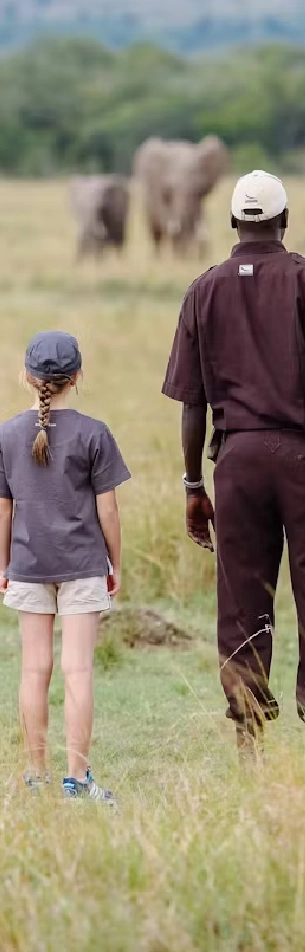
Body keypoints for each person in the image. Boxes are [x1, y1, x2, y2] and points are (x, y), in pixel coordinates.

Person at [162, 170, 305, 752]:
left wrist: (194, 483)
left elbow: (192, 403)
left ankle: (249, 736)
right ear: (285, 221)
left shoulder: (203, 289)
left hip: (238, 461)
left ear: (232, 222)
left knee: (242, 595)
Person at [0, 331, 130, 801]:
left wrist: (4, 565)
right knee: (78, 672)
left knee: (34, 670)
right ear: (77, 377)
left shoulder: (7, 433)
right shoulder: (94, 432)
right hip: (82, 565)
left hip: (27, 565)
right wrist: (115, 562)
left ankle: (36, 778)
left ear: (28, 377)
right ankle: (77, 779)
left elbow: (3, 511)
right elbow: (109, 511)